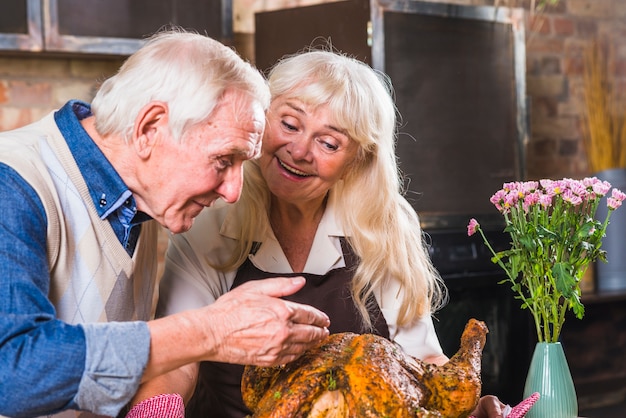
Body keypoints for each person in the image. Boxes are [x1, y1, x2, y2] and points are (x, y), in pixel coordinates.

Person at [129, 49, 517, 417]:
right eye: (289, 124)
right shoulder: (212, 214)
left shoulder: (386, 224)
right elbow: (178, 360)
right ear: (262, 119)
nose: (298, 151)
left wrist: (464, 407)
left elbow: (420, 362)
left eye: (328, 142)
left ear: (356, 161)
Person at [0, 29, 332, 418]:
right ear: (149, 129)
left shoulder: (141, 193)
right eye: (224, 160)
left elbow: (125, 357)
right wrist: (210, 332)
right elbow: (13, 369)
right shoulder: (13, 182)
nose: (233, 191)